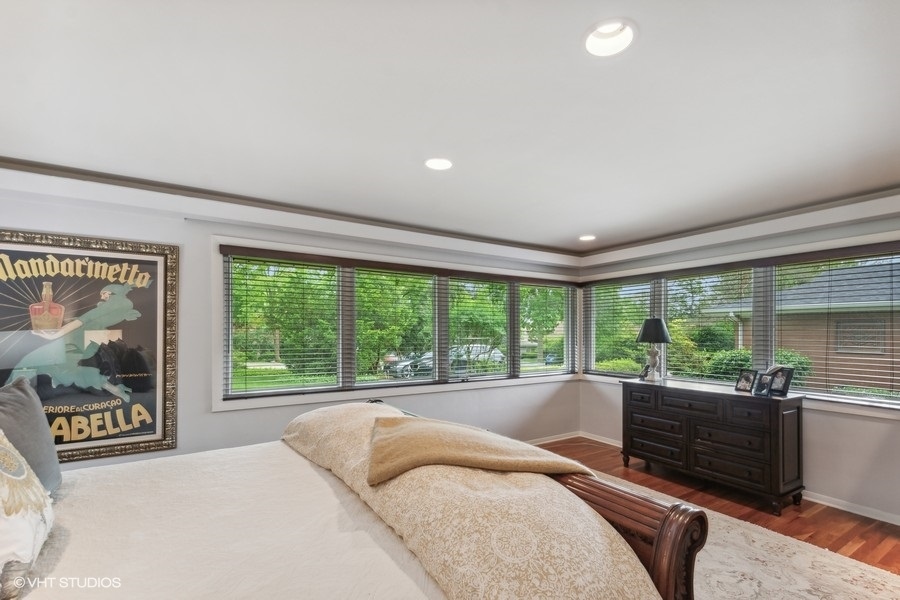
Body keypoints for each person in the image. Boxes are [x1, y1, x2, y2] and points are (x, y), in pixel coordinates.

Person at [10, 284, 141, 401]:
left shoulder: (114, 306)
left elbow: (84, 320)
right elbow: (83, 320)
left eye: (105, 294)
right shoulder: (75, 346)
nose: (102, 297)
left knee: (67, 377)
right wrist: (57, 334)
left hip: (39, 373)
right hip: (28, 379)